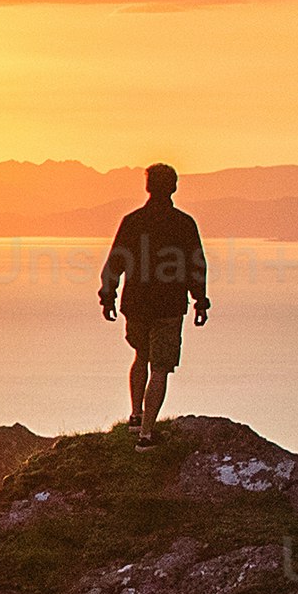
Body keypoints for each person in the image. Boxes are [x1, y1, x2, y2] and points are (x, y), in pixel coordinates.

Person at [96, 161, 210, 428]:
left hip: (136, 304)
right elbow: (196, 265)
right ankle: (147, 434)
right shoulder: (183, 224)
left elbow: (115, 261)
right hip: (169, 307)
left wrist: (108, 295)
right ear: (174, 188)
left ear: (148, 187)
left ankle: (135, 416)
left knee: (141, 355)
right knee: (160, 367)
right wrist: (200, 301)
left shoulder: (133, 222)